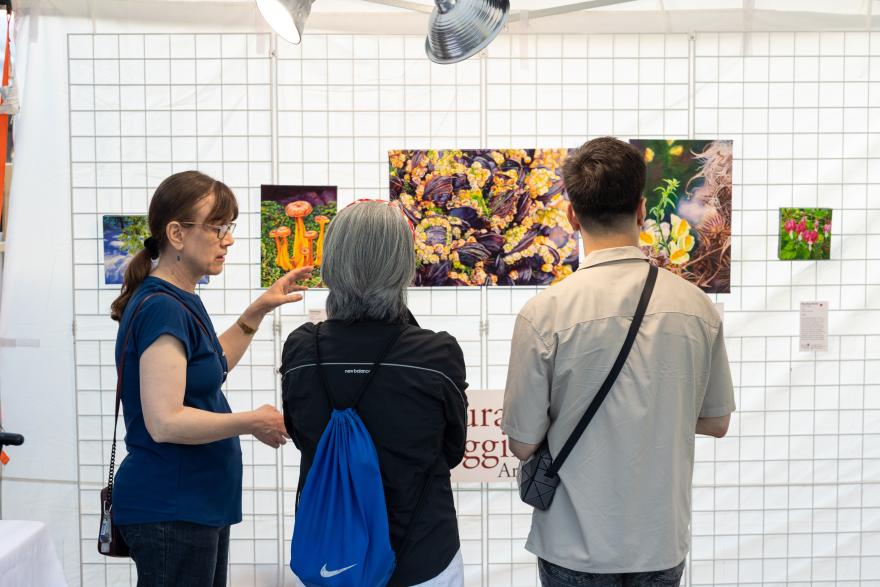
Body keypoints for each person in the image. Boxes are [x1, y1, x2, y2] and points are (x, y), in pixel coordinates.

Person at [502, 137, 735, 587]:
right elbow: (716, 420)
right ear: (642, 209)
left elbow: (523, 444)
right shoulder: (696, 306)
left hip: (572, 542)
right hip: (659, 540)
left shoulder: (543, 314)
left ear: (572, 215)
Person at [110, 170, 312, 587]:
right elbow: (165, 422)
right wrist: (250, 422)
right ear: (177, 234)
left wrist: (257, 311)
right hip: (172, 507)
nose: (229, 240)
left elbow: (212, 368)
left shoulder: (181, 299)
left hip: (194, 505)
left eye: (229, 227)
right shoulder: (162, 307)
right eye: (218, 228)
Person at [280, 201, 468, 587]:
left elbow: (301, 437)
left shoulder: (302, 349)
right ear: (404, 266)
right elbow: (452, 450)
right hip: (422, 554)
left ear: (331, 262)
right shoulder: (436, 354)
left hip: (334, 556)